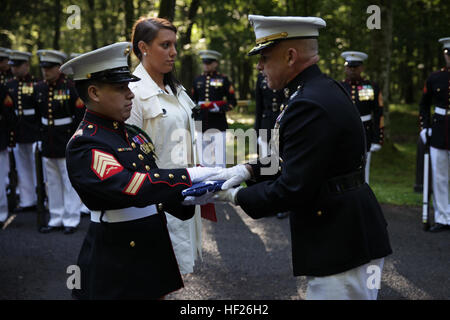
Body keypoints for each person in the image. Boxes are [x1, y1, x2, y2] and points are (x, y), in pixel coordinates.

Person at [201, 15, 392, 300]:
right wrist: (247, 170)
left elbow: (293, 185)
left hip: (341, 242)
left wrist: (236, 197)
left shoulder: (308, 103)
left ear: (290, 56)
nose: (259, 66)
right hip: (345, 235)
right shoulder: (317, 91)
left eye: (265, 57)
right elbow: (289, 159)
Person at [60, 42, 225, 299]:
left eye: (129, 86)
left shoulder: (131, 134)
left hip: (148, 243)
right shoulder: (86, 143)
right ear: (93, 92)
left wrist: (190, 195)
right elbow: (131, 186)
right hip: (117, 255)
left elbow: (153, 182)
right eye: (120, 88)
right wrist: (188, 177)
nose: (130, 94)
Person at [126, 17, 203, 275]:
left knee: (171, 277)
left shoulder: (175, 88)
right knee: (154, 277)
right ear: (143, 48)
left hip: (183, 192)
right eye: (165, 45)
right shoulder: (132, 93)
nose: (174, 53)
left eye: (175, 45)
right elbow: (128, 156)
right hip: (154, 200)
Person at [34, 49, 85, 234]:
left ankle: (71, 219)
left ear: (59, 68)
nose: (45, 72)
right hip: (48, 141)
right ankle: (55, 217)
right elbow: (38, 117)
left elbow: (79, 117)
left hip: (65, 140)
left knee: (68, 181)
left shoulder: (71, 88)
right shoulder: (39, 88)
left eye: (49, 68)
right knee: (52, 182)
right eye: (43, 68)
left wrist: (76, 141)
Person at [419, 37, 450, 233]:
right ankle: (443, 217)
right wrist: (424, 127)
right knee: (439, 177)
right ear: (445, 55)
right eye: (449, 54)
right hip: (440, 131)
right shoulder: (434, 78)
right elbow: (424, 104)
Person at [341, 51, 384, 184]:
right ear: (345, 68)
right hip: (343, 133)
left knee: (364, 170)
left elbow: (378, 113)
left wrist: (378, 138)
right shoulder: (339, 87)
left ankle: (362, 199)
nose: (352, 70)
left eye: (356, 67)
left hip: (366, 133)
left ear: (361, 68)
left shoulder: (371, 87)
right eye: (350, 67)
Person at [5, 50, 38, 212]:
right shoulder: (9, 85)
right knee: (22, 167)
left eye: (17, 66)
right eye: (12, 66)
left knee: (39, 167)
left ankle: (42, 196)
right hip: (17, 131)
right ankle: (27, 200)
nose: (14, 69)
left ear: (26, 65)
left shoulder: (35, 83)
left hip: (33, 130)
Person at [191, 49, 237, 167]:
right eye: (204, 63)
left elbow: (232, 101)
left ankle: (221, 184)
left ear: (215, 63)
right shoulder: (197, 80)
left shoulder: (223, 79)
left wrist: (219, 108)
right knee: (203, 160)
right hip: (201, 125)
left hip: (218, 124)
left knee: (220, 159)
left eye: (209, 63)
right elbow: (192, 102)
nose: (206, 65)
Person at [254, 71, 287, 219]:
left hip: (281, 123)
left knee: (281, 163)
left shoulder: (286, 74)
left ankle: (282, 203)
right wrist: (257, 130)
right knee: (266, 165)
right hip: (265, 123)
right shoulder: (261, 78)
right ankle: (267, 202)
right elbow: (258, 106)